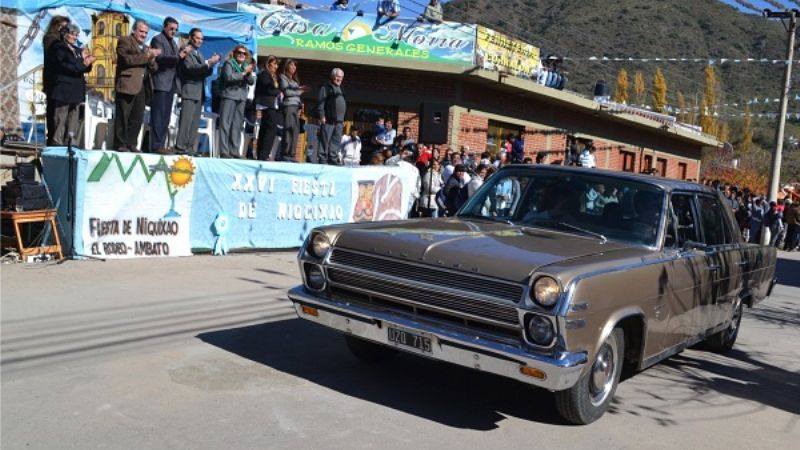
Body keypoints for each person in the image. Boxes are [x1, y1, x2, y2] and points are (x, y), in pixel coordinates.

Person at [113, 19, 160, 153]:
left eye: (146, 32)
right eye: (141, 31)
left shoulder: (146, 47)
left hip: (142, 86)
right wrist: (147, 56)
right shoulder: (125, 41)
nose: (143, 35)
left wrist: (151, 59)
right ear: (134, 30)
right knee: (123, 115)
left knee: (137, 117)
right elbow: (126, 59)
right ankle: (119, 144)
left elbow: (154, 68)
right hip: (127, 84)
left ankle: (131, 143)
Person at [47, 23, 95, 146]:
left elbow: (84, 69)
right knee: (61, 117)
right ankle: (57, 141)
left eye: (76, 35)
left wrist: (88, 63)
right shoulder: (59, 48)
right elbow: (65, 66)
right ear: (65, 34)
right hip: (64, 89)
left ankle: (70, 140)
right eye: (73, 34)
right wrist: (82, 64)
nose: (75, 37)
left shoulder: (78, 50)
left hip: (76, 89)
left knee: (74, 117)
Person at [174, 28, 219, 155]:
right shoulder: (187, 51)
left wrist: (210, 65)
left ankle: (189, 148)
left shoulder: (199, 54)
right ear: (190, 37)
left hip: (199, 92)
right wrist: (207, 64)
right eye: (197, 38)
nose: (200, 41)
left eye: (201, 39)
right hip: (189, 89)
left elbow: (203, 72)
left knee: (194, 122)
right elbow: (191, 69)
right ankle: (180, 147)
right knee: (186, 121)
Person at [149, 17, 187, 154]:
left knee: (166, 116)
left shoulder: (174, 43)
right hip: (160, 82)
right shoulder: (157, 39)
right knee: (158, 116)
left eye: (176, 30)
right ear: (164, 27)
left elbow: (176, 60)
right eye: (171, 28)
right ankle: (155, 145)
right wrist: (178, 57)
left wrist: (182, 56)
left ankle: (161, 144)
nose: (173, 31)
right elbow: (161, 58)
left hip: (171, 83)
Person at [218, 45, 255, 158]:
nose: (241, 55)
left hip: (241, 98)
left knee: (237, 125)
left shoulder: (245, 66)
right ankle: (224, 151)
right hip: (229, 96)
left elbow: (251, 82)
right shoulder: (229, 63)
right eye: (239, 52)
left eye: (244, 53)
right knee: (225, 123)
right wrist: (243, 73)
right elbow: (229, 77)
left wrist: (248, 73)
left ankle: (234, 150)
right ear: (234, 53)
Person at [42, 15, 71, 146]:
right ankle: (52, 138)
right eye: (64, 27)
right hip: (53, 78)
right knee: (52, 109)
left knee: (59, 109)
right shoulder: (50, 39)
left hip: (61, 79)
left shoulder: (61, 41)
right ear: (57, 26)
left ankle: (59, 137)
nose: (66, 30)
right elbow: (54, 53)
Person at [255, 55, 283, 161]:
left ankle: (262, 154)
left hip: (272, 104)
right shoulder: (264, 74)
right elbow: (268, 89)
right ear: (268, 63)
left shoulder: (273, 76)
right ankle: (264, 154)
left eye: (277, 65)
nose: (276, 67)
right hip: (266, 104)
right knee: (271, 128)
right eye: (275, 64)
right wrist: (278, 92)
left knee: (266, 128)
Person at [316, 68, 346, 165]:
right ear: (332, 76)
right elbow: (321, 103)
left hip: (339, 121)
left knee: (336, 141)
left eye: (341, 77)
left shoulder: (341, 89)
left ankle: (332, 158)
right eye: (337, 77)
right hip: (328, 119)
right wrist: (322, 116)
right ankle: (323, 159)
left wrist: (343, 119)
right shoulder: (326, 87)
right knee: (325, 140)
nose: (339, 79)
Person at [279, 59, 306, 162]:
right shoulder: (283, 77)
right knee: (289, 129)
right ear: (287, 66)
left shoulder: (295, 80)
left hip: (296, 107)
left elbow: (296, 92)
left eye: (295, 66)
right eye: (292, 65)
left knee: (295, 131)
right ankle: (285, 154)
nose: (294, 68)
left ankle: (292, 154)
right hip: (289, 106)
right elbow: (287, 92)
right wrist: (300, 91)